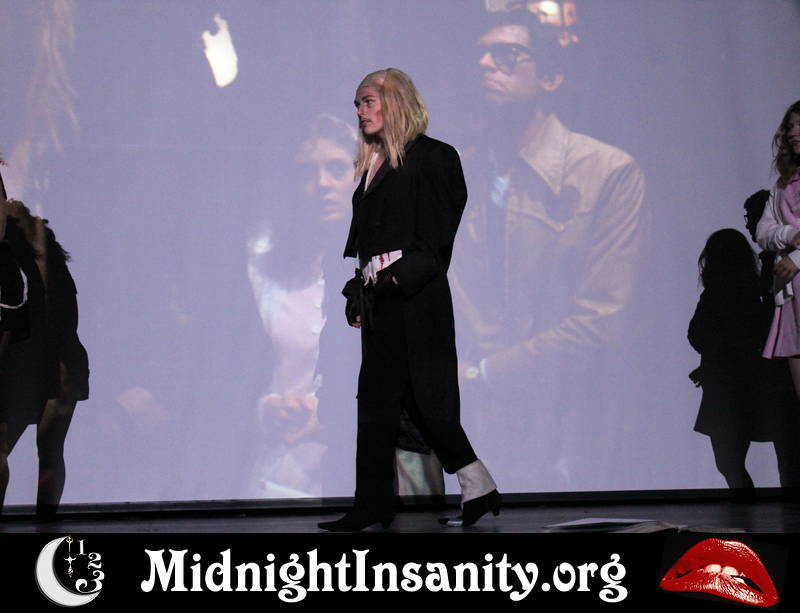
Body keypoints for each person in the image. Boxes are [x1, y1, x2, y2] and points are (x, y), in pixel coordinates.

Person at [450, 0, 647, 488]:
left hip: (568, 425)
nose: (485, 64)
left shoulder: (607, 172)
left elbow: (601, 320)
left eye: (507, 55)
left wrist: (482, 372)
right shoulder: (455, 173)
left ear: (551, 77)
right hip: (470, 423)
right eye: (480, 55)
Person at [317, 68, 500, 531]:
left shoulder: (434, 157)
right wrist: (361, 291)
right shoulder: (373, 164)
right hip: (382, 300)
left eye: (368, 101)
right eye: (357, 105)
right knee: (377, 404)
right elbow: (370, 243)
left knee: (426, 401)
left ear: (395, 101)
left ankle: (474, 483)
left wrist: (392, 281)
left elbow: (434, 242)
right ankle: (373, 504)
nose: (360, 112)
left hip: (415, 299)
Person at [0, 198, 89, 518]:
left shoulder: (22, 264)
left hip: (39, 366)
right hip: (56, 364)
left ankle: (45, 521)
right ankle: (46, 521)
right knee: (49, 451)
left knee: (38, 450)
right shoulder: (46, 266)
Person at [688, 229, 782, 495]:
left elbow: (699, 334)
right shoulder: (751, 292)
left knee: (728, 461)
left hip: (726, 388)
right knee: (730, 461)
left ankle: (746, 508)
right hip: (736, 384)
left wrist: (713, 361)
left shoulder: (719, 295)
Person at [756, 101, 800, 395]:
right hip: (791, 296)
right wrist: (790, 234)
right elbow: (763, 231)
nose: (793, 131)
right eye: (790, 125)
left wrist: (798, 258)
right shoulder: (783, 185)